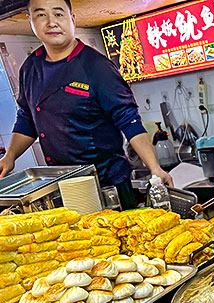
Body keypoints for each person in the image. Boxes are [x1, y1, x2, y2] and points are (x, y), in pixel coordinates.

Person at [0, 0, 172, 209]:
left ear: (72, 19)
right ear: (31, 21)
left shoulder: (97, 67)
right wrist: (9, 158)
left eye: (58, 14)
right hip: (64, 185)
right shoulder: (30, 68)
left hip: (108, 185)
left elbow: (129, 120)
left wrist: (154, 168)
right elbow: (27, 119)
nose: (51, 22)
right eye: (41, 15)